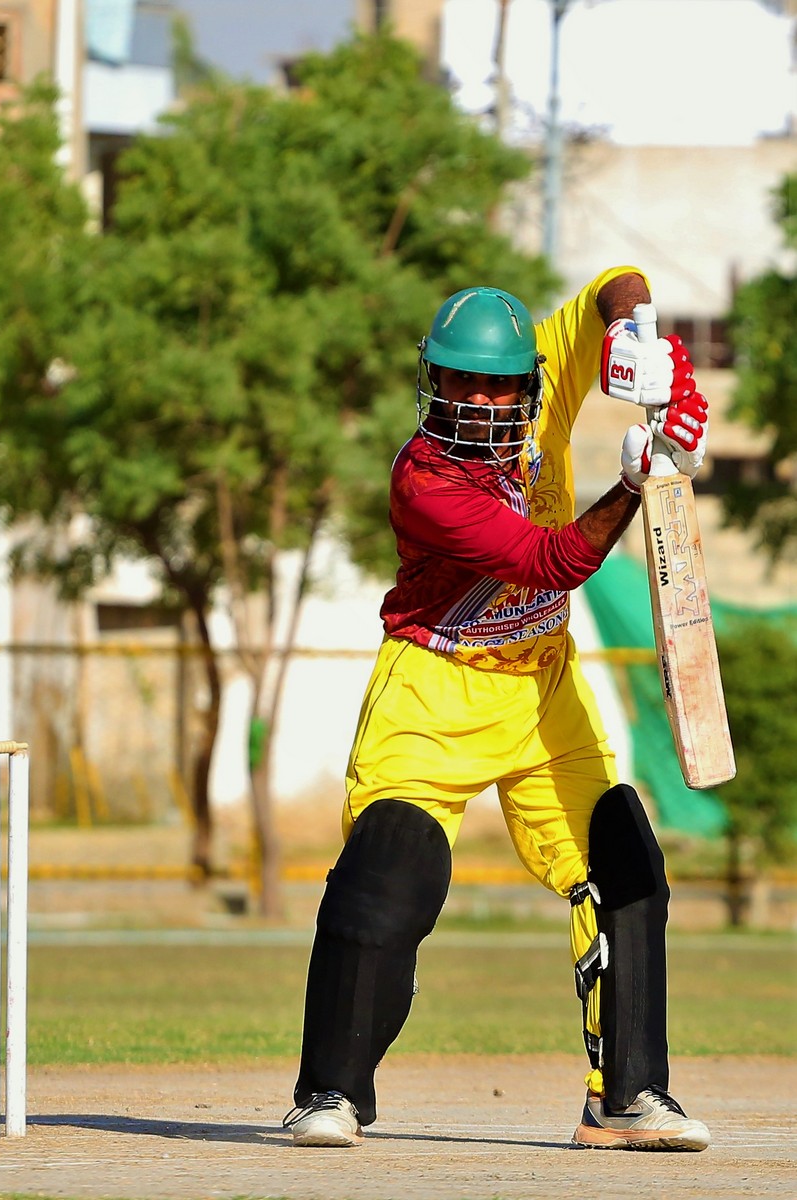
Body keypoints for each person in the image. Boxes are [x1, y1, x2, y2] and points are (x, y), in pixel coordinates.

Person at [284, 267, 713, 1152]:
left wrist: (633, 336)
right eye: (458, 382)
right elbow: (551, 562)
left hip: (543, 690)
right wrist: (635, 482)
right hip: (432, 690)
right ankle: (329, 1092)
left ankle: (624, 1098)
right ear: (432, 382)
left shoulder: (546, 379)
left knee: (625, 864)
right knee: (389, 876)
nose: (478, 402)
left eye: (496, 386)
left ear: (528, 385)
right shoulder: (424, 481)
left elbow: (613, 282)